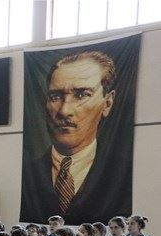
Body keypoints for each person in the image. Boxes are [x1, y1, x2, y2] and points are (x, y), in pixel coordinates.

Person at [21, 51, 128, 225]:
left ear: (107, 103)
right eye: (55, 97)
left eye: (81, 95)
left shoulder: (122, 172)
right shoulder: (28, 173)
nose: (64, 111)